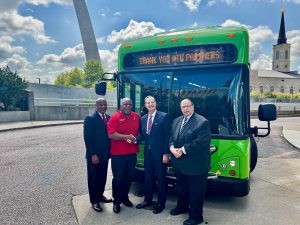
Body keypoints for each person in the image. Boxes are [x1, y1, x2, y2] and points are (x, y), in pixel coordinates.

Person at [169, 98, 211, 225]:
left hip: (196, 165)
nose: (185, 109)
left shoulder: (202, 122)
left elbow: (200, 142)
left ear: (193, 107)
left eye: (188, 106)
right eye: (183, 107)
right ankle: (181, 207)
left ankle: (196, 217)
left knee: (195, 192)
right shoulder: (176, 120)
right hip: (180, 164)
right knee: (182, 188)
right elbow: (171, 136)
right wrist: (171, 148)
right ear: (180, 108)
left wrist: (182, 150)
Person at [135, 96, 170, 214]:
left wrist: (166, 154)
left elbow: (167, 137)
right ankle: (147, 200)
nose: (150, 104)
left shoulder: (164, 117)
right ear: (145, 105)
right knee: (148, 178)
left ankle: (161, 203)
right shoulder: (143, 118)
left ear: (156, 103)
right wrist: (135, 140)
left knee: (161, 179)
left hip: (160, 155)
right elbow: (143, 134)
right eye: (148, 103)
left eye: (152, 102)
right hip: (148, 154)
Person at [107, 98, 140, 214]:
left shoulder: (136, 116)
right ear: (121, 105)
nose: (128, 106)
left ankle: (125, 198)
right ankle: (116, 201)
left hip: (132, 153)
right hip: (118, 155)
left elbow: (140, 132)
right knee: (118, 178)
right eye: (125, 104)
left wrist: (137, 139)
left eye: (130, 104)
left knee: (129, 177)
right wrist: (127, 137)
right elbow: (111, 135)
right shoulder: (115, 117)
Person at [83, 98, 113, 213]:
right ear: (96, 105)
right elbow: (87, 139)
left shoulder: (108, 118)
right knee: (93, 179)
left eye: (105, 104)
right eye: (100, 104)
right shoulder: (90, 119)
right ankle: (94, 201)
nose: (103, 106)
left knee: (102, 177)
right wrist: (93, 154)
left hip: (105, 155)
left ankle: (100, 196)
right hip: (94, 156)